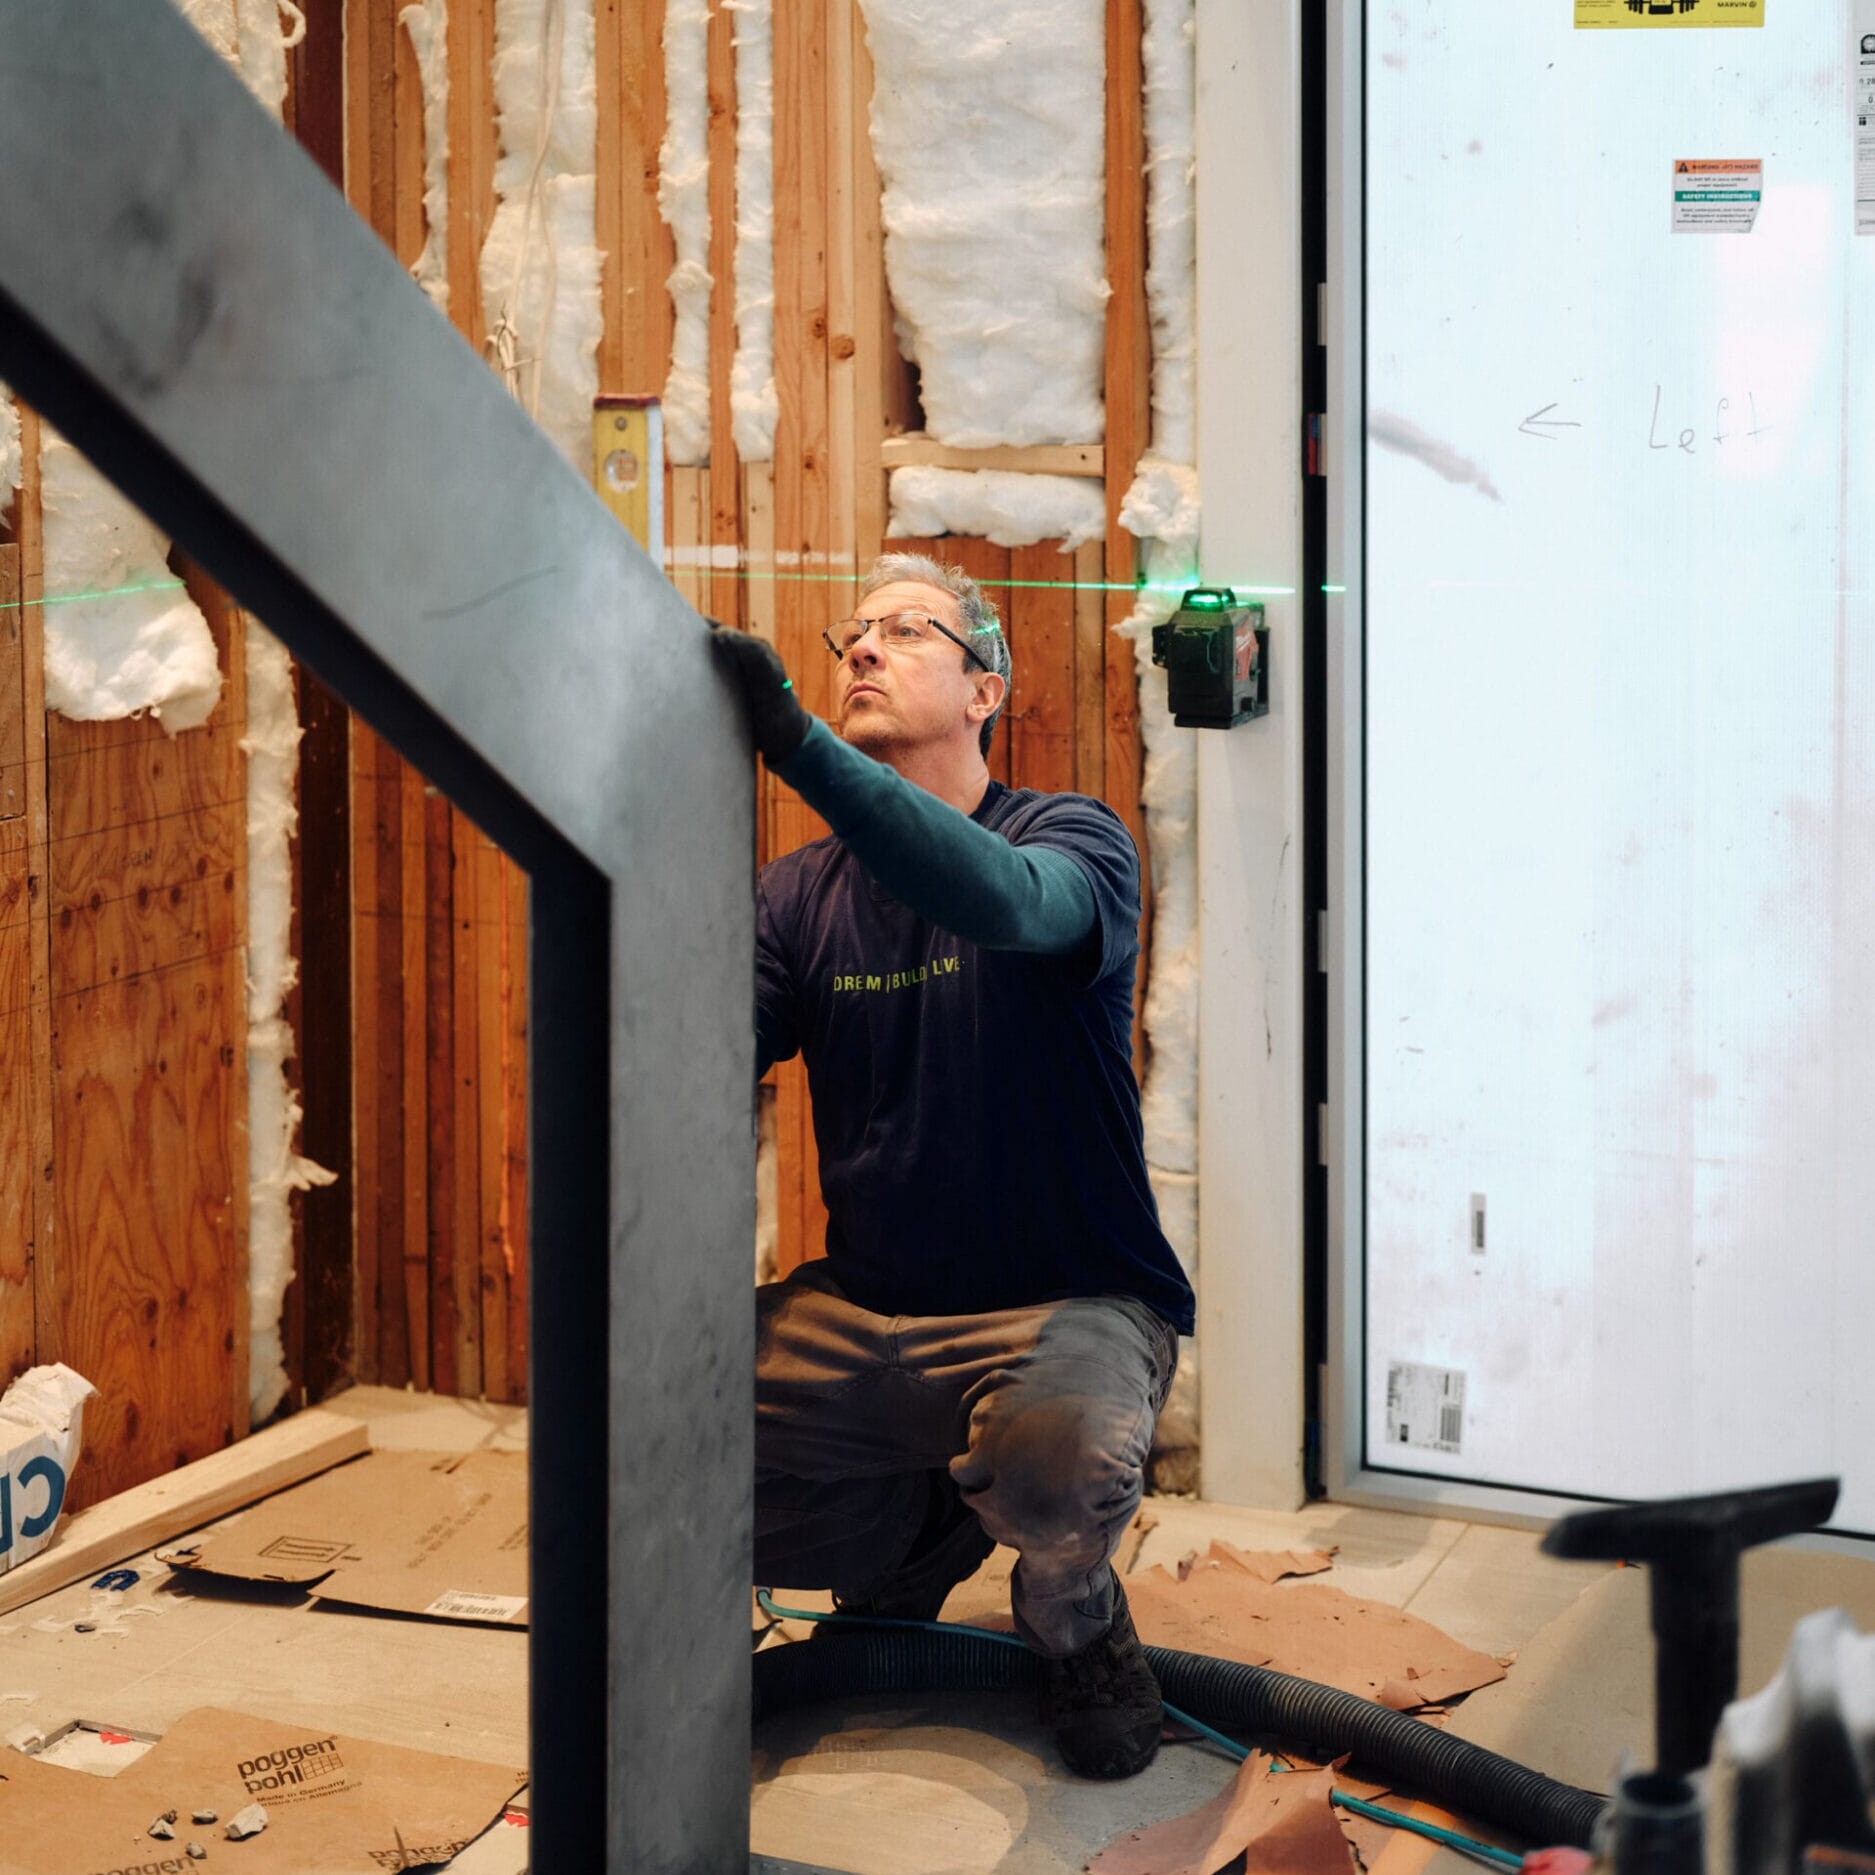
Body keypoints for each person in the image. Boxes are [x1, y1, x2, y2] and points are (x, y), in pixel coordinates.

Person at [710, 553, 1196, 1781]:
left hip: (1066, 1300)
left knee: (1056, 1464)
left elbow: (1001, 902)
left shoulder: (1070, 838)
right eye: (851, 635)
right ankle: (915, 1525)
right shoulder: (795, 896)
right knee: (649, 1431)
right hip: (869, 1307)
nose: (860, 651)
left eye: (905, 632)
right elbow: (704, 1048)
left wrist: (797, 746)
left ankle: (1073, 1617)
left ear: (987, 691)